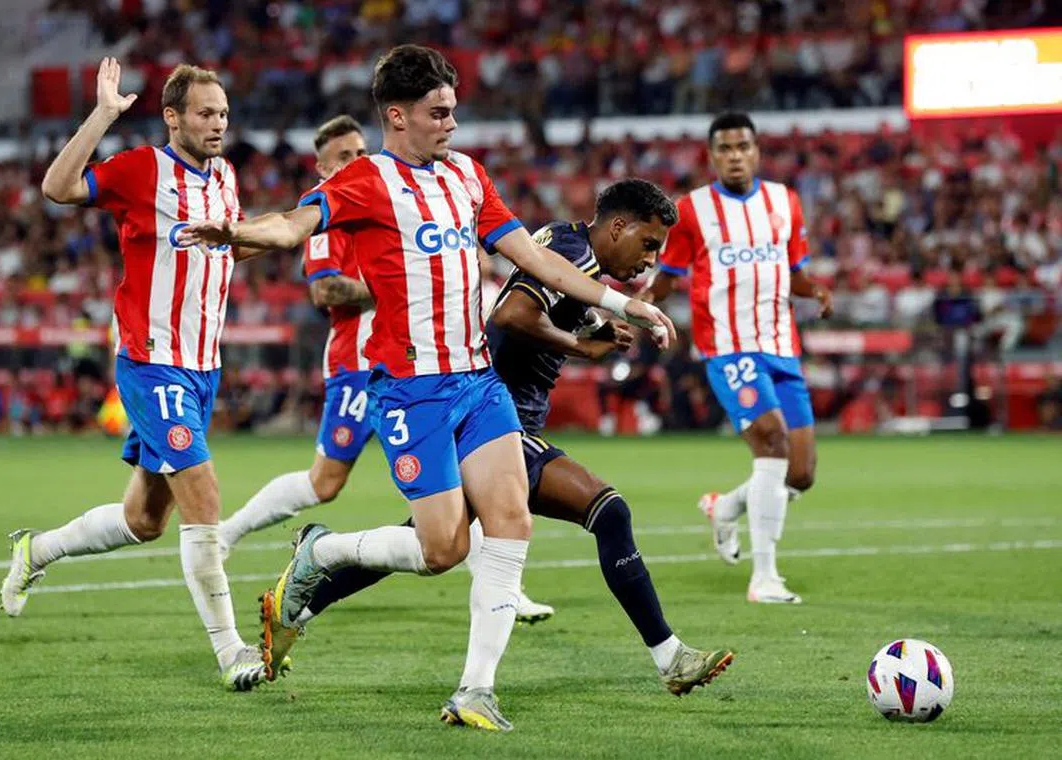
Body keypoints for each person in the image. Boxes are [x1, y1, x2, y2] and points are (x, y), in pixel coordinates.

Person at [180, 45, 674, 731]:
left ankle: (475, 691)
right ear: (397, 115)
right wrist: (236, 230)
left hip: (477, 382)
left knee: (510, 524)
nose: (452, 125)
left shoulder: (468, 177)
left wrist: (626, 305)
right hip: (410, 391)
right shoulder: (366, 180)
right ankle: (320, 553)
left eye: (453, 111)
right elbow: (292, 225)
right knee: (442, 550)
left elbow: (532, 260)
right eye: (439, 113)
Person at [259, 179, 734, 700]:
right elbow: (510, 316)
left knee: (429, 545)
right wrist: (579, 343)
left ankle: (302, 598)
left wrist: (592, 323)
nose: (651, 259)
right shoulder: (575, 254)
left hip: (492, 414)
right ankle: (668, 656)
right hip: (492, 417)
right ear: (618, 226)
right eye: (649, 243)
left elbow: (537, 306)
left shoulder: (567, 243)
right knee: (608, 510)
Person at [215, 115, 555, 624]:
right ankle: (232, 532)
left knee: (475, 481)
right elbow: (324, 291)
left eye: (359, 151)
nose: (356, 161)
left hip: (437, 365)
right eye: (343, 157)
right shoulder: (330, 212)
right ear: (324, 166)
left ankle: (505, 584)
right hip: (361, 366)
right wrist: (410, 282)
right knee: (326, 483)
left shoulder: (401, 195)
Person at [0, 59, 269, 691]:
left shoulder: (226, 176)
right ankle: (232, 653)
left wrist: (293, 232)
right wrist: (103, 115)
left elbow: (232, 246)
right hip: (153, 360)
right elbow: (59, 188)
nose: (217, 124)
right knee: (202, 494)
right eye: (205, 113)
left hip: (205, 365)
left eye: (223, 113)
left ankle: (35, 551)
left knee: (146, 520)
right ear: (173, 116)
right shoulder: (142, 167)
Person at [642, 112, 833, 605]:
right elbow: (669, 275)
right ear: (711, 156)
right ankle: (764, 577)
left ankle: (725, 507)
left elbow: (794, 271)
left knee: (801, 473)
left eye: (742, 146)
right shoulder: (692, 211)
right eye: (724, 148)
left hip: (782, 345)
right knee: (771, 443)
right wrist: (639, 306)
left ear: (756, 151)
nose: (734, 156)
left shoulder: (784, 202)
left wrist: (815, 291)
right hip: (727, 345)